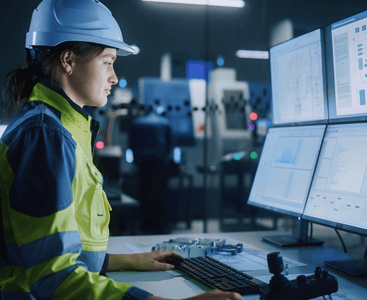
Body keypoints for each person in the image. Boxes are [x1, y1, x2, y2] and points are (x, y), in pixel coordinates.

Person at [0, 1, 243, 300]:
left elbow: (48, 249)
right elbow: (51, 277)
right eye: (107, 61)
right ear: (68, 60)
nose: (114, 77)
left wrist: (125, 260)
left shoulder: (64, 125)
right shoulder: (45, 135)